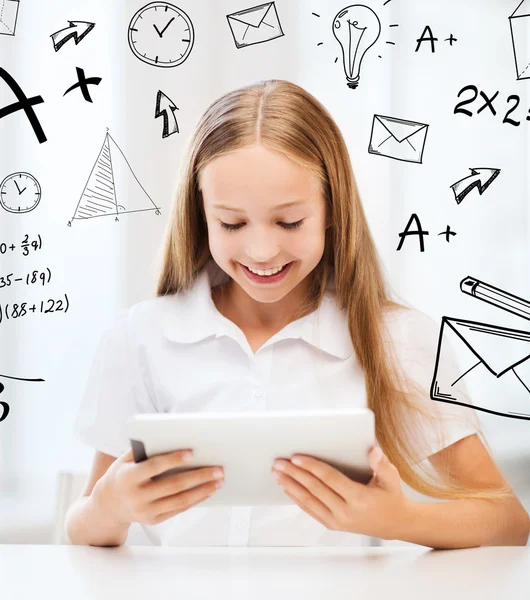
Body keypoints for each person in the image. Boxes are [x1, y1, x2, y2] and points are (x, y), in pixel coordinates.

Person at [66, 80, 530, 549]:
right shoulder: (140, 337)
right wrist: (111, 507)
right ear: (200, 213)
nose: (263, 250)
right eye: (231, 223)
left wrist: (398, 519)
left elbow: (507, 521)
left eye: (290, 222)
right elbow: (83, 530)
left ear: (332, 209)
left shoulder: (400, 340)